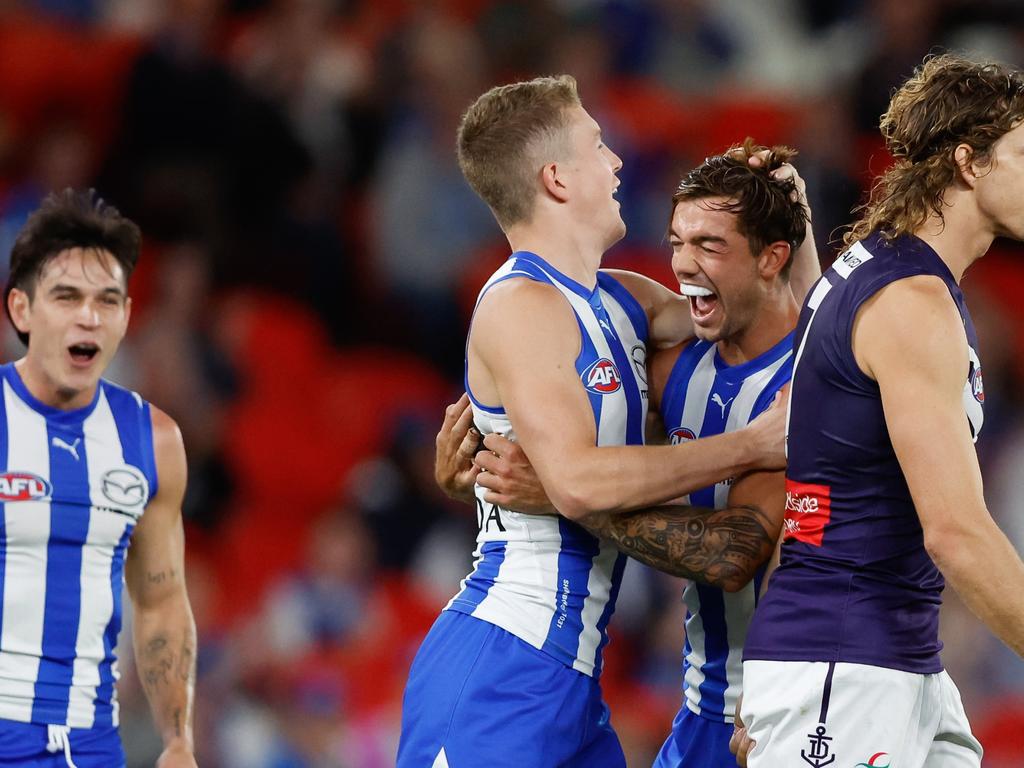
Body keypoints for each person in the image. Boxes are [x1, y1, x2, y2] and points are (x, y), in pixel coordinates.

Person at [398, 74, 816, 767]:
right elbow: (577, 486)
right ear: (557, 177)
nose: (617, 160)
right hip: (502, 667)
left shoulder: (621, 299)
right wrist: (750, 445)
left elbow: (770, 310)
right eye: (598, 144)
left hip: (571, 686)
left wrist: (789, 217)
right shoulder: (519, 306)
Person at [737, 52, 1024, 768]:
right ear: (969, 162)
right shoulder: (911, 303)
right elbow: (955, 533)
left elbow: (812, 483)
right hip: (847, 670)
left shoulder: (873, 271)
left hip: (882, 660)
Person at [0, 190, 197, 767]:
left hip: (89, 744)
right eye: (66, 296)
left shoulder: (154, 441)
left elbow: (161, 601)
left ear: (126, 317)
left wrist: (178, 738)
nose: (89, 315)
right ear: (21, 311)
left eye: (107, 301)